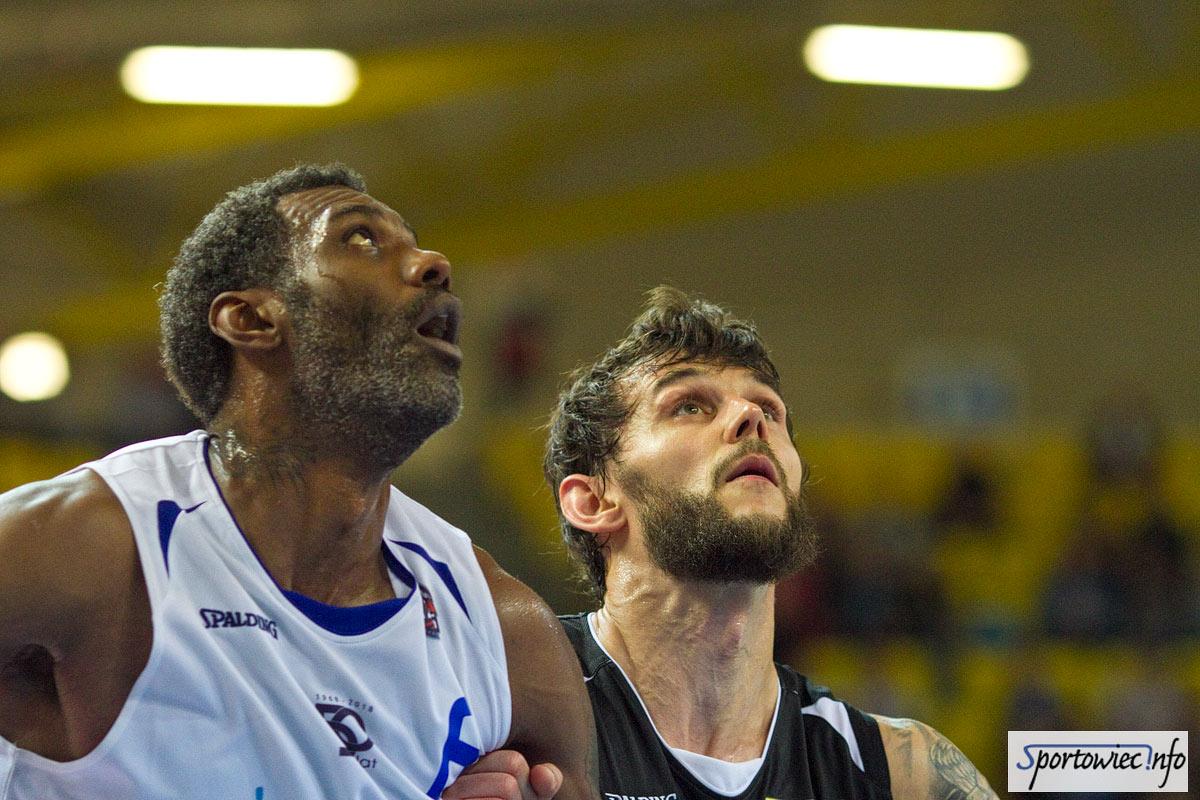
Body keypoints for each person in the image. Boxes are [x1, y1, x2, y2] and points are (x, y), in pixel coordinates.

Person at [0, 164, 596, 800]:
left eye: (418, 244)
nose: (434, 263)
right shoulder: (85, 546)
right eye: (361, 239)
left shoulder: (503, 629)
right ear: (250, 320)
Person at [544, 286, 998, 799]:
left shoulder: (902, 775)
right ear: (593, 500)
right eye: (689, 406)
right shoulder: (512, 706)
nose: (751, 418)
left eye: (769, 408)